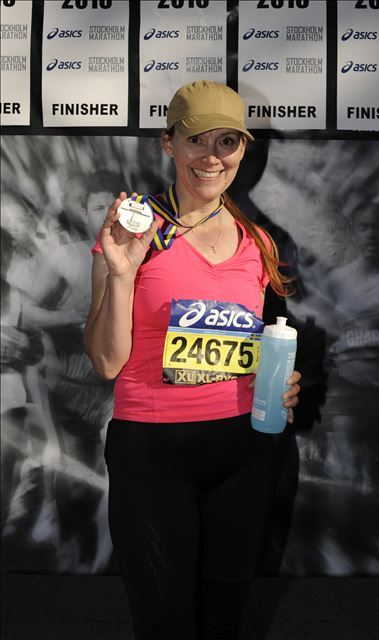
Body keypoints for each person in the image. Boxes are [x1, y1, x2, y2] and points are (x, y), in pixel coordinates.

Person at [83, 80, 301, 639]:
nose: (211, 156)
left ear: (244, 149)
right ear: (169, 144)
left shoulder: (258, 242)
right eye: (196, 139)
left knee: (224, 621)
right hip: (153, 453)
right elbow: (105, 362)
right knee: (166, 626)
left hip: (246, 450)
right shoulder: (133, 231)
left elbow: (247, 344)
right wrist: (122, 273)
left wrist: (280, 379)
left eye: (227, 141)